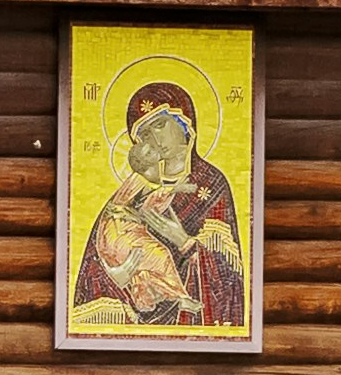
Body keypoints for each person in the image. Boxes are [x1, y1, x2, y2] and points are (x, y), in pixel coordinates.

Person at [66, 80, 248, 333]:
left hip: (191, 320)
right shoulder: (132, 192)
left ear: (184, 121)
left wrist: (184, 241)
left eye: (160, 125)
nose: (155, 139)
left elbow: (230, 275)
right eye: (145, 135)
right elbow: (96, 261)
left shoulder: (211, 184)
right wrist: (117, 274)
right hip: (138, 314)